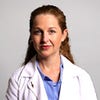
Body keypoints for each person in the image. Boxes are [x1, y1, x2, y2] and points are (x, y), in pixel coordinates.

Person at [6, 5, 97, 100]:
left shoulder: (82, 78)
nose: (44, 39)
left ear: (63, 35)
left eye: (52, 31)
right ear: (31, 35)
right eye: (38, 32)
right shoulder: (17, 80)